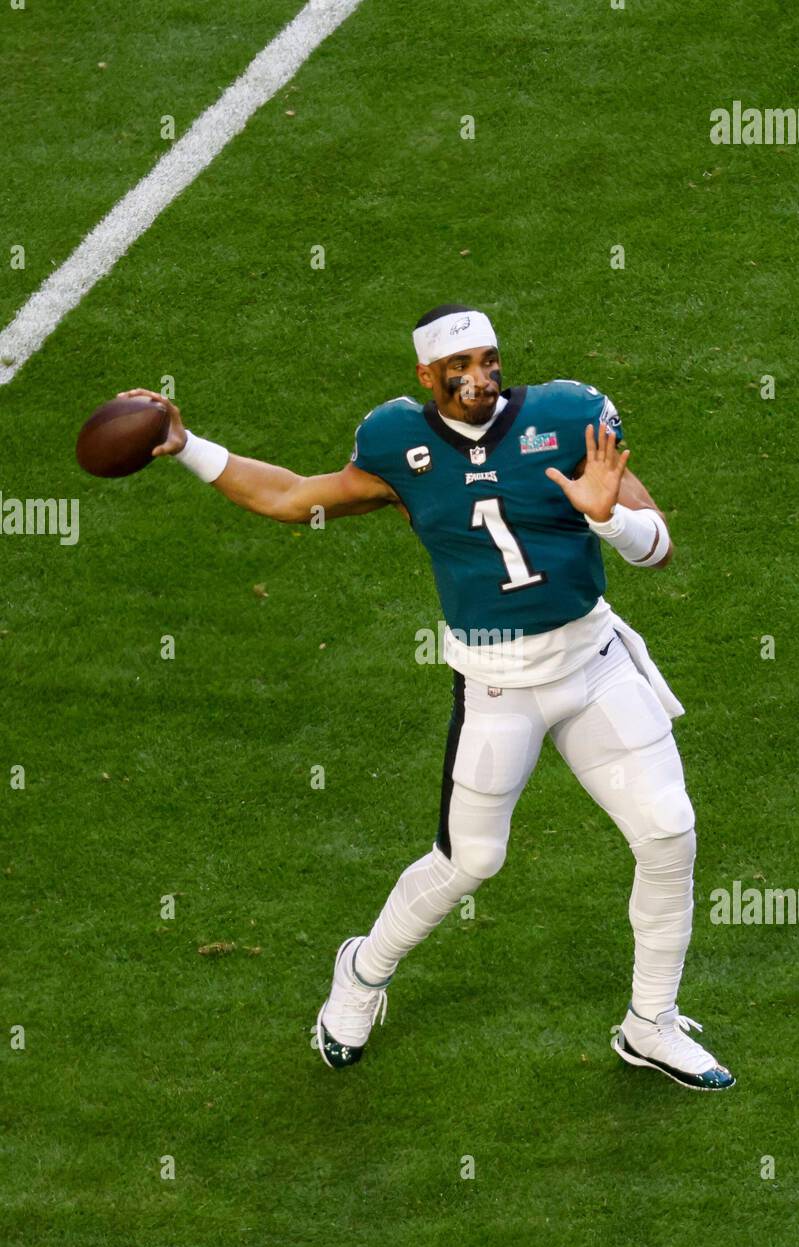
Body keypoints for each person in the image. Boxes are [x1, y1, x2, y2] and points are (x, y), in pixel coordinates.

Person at [119, 303, 735, 1091]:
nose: (481, 378)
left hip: (596, 662)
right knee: (471, 860)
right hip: (497, 682)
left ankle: (650, 1023)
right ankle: (362, 973)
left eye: (489, 359)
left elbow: (659, 548)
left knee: (669, 832)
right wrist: (185, 446)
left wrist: (609, 517)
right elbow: (292, 497)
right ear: (425, 377)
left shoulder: (570, 418)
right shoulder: (397, 446)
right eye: (461, 368)